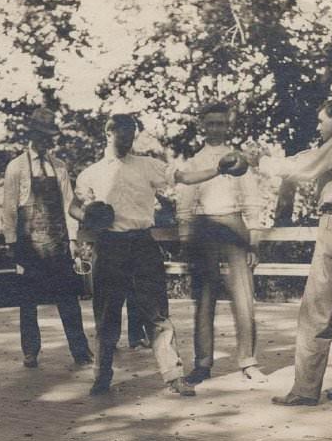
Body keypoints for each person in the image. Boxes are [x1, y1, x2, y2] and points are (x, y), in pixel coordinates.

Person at [70, 113, 230, 397]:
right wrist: (88, 216)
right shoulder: (90, 173)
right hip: (109, 246)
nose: (128, 140)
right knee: (107, 315)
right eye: (123, 134)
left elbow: (183, 177)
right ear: (108, 133)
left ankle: (174, 375)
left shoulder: (147, 165)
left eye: (132, 134)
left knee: (157, 312)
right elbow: (74, 207)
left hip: (143, 243)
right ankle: (102, 375)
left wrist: (218, 169)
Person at [251, 98, 332, 406]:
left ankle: (305, 390)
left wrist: (261, 164)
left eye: (322, 121)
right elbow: (309, 157)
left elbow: (302, 168)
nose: (319, 127)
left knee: (316, 310)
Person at [177, 102, 268, 385]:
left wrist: (254, 242)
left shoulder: (238, 161)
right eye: (210, 123)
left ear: (227, 126)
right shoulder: (193, 163)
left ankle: (248, 361)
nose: (215, 128)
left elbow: (252, 201)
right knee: (204, 298)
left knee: (243, 296)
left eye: (220, 123)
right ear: (202, 126)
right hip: (204, 227)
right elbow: (184, 205)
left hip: (234, 226)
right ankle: (203, 363)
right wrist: (184, 238)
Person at [2, 107, 93, 369]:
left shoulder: (60, 167)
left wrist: (73, 241)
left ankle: (81, 351)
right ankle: (30, 351)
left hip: (58, 244)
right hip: (29, 246)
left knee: (68, 300)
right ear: (31, 134)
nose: (44, 141)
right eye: (40, 135)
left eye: (48, 137)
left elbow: (68, 206)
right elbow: (9, 208)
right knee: (28, 302)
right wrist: (12, 245)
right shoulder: (16, 168)